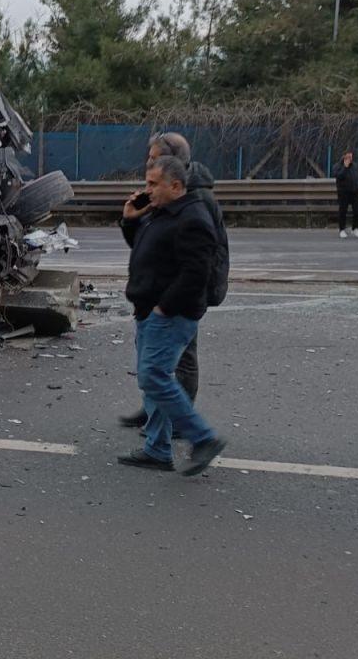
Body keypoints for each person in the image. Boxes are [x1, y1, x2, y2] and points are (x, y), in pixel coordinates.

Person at [117, 155, 228, 476]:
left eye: (153, 184)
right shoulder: (162, 212)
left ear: (176, 185)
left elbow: (197, 273)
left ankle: (203, 438)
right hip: (150, 311)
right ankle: (156, 449)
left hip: (170, 315)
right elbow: (144, 248)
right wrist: (130, 219)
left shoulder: (193, 217)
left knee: (154, 376)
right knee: (153, 380)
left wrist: (162, 308)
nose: (147, 190)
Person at [333, 150, 358, 238]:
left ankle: (355, 228)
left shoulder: (356, 166)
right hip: (343, 192)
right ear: (344, 157)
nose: (350, 159)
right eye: (348, 157)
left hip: (355, 192)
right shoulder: (338, 166)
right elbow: (338, 176)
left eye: (351, 157)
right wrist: (345, 167)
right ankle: (341, 229)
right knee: (343, 210)